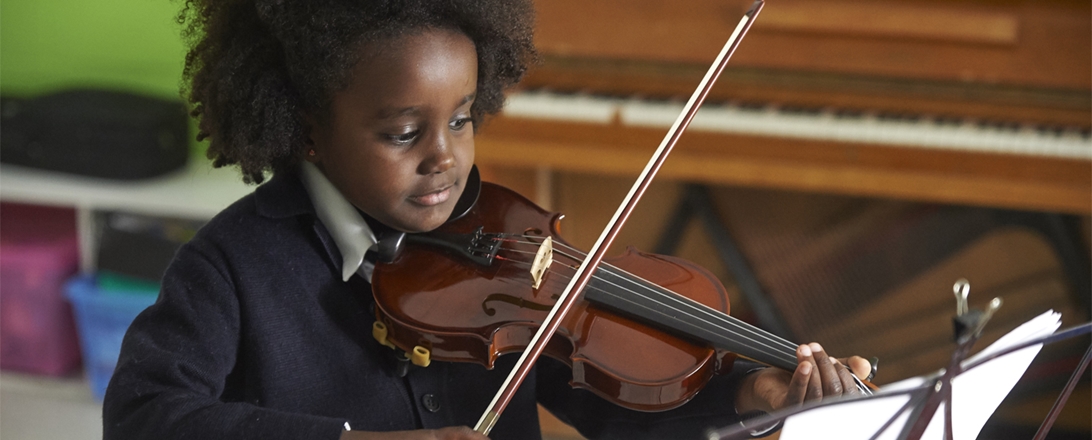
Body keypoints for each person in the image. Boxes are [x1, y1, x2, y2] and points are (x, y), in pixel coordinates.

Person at [103, 1, 873, 439]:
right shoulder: (231, 266)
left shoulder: (502, 243)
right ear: (306, 127)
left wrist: (749, 397)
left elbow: (609, 409)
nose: (445, 159)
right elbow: (145, 418)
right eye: (404, 133)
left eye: (464, 120)